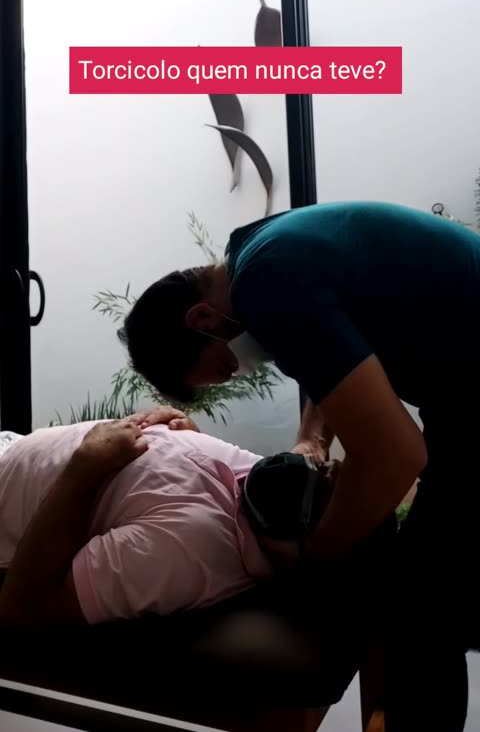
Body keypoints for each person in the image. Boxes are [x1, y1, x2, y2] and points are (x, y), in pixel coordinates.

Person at [121, 200, 480, 731]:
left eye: (227, 366)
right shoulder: (258, 249)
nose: (242, 369)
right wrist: (312, 437)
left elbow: (397, 454)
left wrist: (314, 559)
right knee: (428, 600)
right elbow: (333, 356)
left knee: (421, 610)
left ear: (203, 319)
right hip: (461, 401)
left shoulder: (266, 280)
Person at [0, 407, 278, 627]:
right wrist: (183, 442)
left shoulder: (184, 547)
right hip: (12, 442)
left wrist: (85, 468)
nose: (298, 467)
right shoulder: (266, 481)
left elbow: (23, 607)